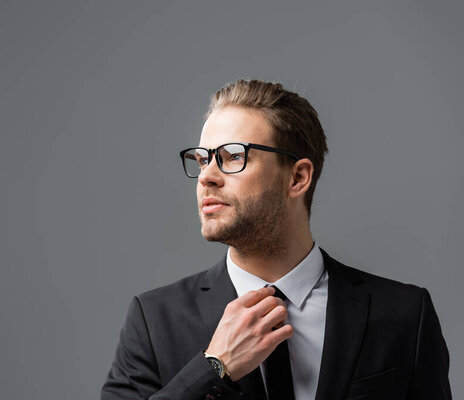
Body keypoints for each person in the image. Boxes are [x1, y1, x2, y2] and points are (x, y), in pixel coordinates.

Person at [101, 79, 451, 400]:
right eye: (202, 159)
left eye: (232, 157)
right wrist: (214, 367)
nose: (206, 176)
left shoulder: (404, 314)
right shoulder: (153, 320)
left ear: (298, 177)